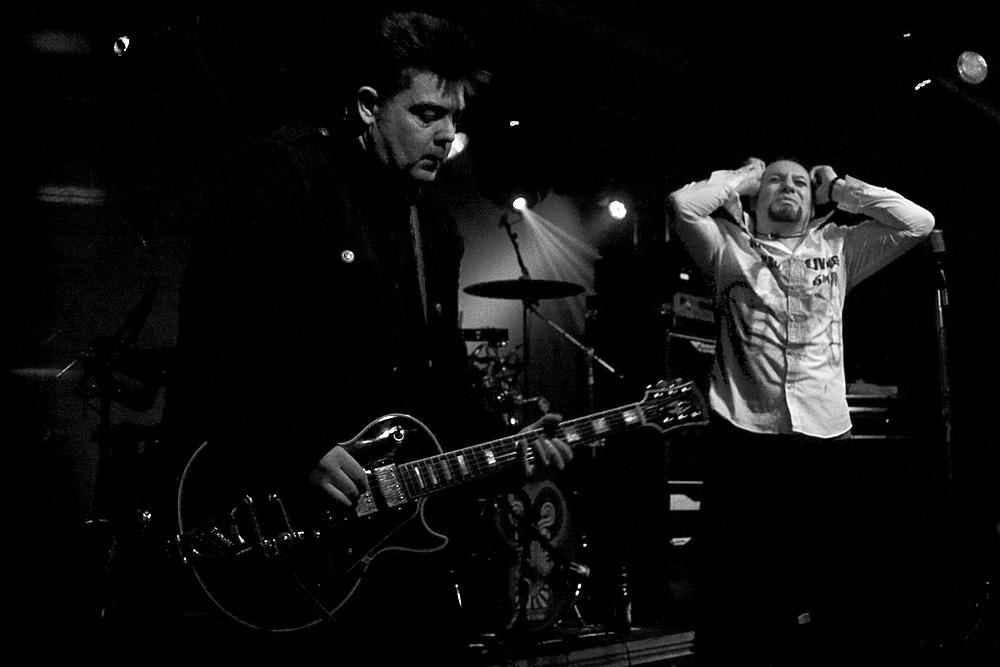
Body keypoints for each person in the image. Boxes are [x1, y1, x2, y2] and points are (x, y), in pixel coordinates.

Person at [159, 10, 572, 665]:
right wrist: (297, 448)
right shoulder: (283, 176)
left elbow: (442, 380)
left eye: (454, 117)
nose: (447, 134)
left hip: (389, 541)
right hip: (274, 517)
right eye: (427, 114)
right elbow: (218, 342)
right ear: (368, 106)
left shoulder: (432, 226)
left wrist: (508, 443)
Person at [668, 157, 934, 666]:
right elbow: (682, 205)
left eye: (799, 182)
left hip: (824, 438)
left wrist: (842, 188)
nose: (787, 186)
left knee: (831, 589)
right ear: (756, 197)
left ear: (813, 203)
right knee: (738, 593)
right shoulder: (725, 247)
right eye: (775, 180)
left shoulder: (839, 246)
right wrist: (742, 177)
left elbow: (918, 222)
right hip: (745, 436)